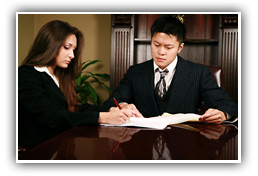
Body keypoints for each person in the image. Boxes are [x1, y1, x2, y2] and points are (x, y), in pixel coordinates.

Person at [18, 20, 142, 147]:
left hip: (60, 145)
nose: (72, 55)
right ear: (50, 44)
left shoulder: (59, 76)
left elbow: (75, 107)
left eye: (74, 49)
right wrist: (103, 118)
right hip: (35, 151)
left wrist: (112, 110)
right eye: (67, 47)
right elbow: (52, 117)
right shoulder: (26, 75)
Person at [103, 15, 238, 124]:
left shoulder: (199, 73)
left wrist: (223, 114)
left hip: (184, 144)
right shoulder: (135, 72)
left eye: (168, 47)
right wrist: (123, 105)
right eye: (156, 45)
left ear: (180, 48)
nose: (161, 52)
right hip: (142, 141)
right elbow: (111, 102)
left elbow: (228, 105)